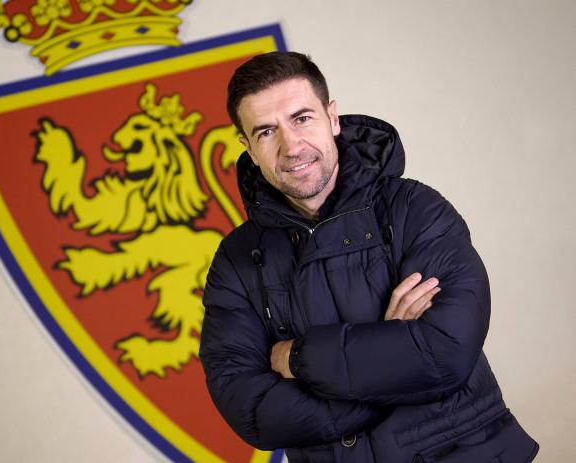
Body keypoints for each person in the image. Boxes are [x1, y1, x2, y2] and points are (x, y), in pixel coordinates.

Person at [199, 52, 538, 462]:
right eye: (267, 131)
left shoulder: (416, 210)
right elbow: (254, 413)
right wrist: (389, 359)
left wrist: (298, 359)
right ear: (248, 148)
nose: (291, 146)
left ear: (333, 117)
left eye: (302, 118)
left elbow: (445, 353)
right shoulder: (236, 260)